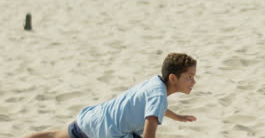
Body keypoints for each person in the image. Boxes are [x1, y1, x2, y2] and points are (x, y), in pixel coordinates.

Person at [23, 53, 197, 138]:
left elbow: (153, 106)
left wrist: (177, 117)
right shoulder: (159, 96)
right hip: (107, 131)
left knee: (54, 136)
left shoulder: (155, 84)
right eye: (189, 77)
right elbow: (150, 128)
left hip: (94, 118)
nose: (193, 82)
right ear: (173, 78)